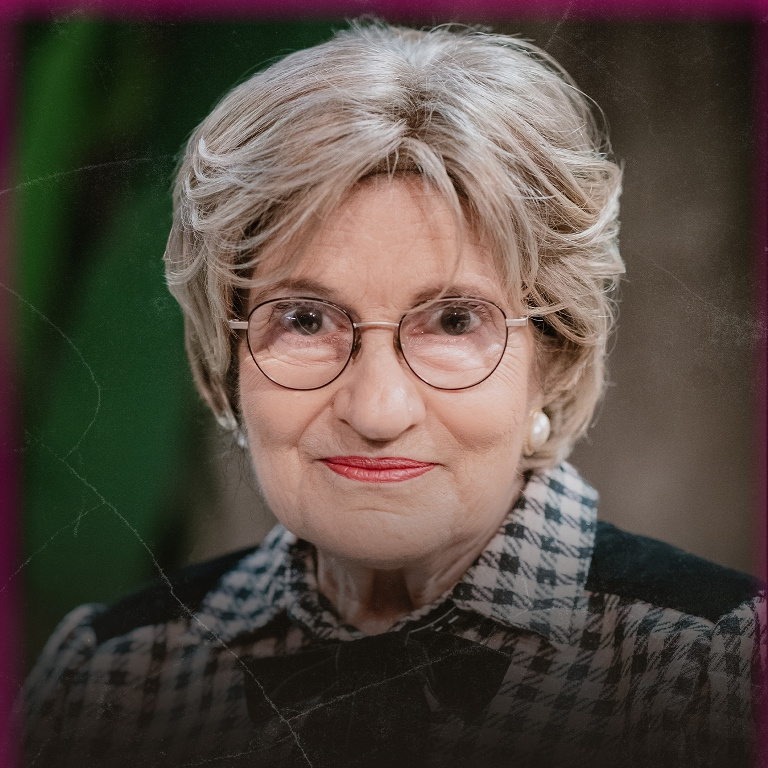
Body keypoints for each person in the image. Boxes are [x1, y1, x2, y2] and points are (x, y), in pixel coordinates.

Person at [20, 21, 764, 768]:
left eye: (454, 321)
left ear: (555, 357)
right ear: (229, 358)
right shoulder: (111, 673)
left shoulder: (721, 665)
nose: (377, 411)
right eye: (305, 320)